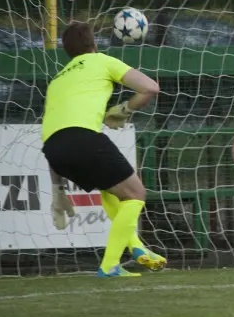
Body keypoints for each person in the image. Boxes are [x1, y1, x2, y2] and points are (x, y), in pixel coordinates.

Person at [42, 21, 165, 277]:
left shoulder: (57, 80)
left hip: (53, 150)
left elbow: (53, 133)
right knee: (135, 193)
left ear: (68, 51)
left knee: (110, 191)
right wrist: (125, 110)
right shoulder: (101, 60)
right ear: (94, 44)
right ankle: (109, 265)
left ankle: (137, 248)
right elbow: (151, 87)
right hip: (82, 139)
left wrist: (58, 190)